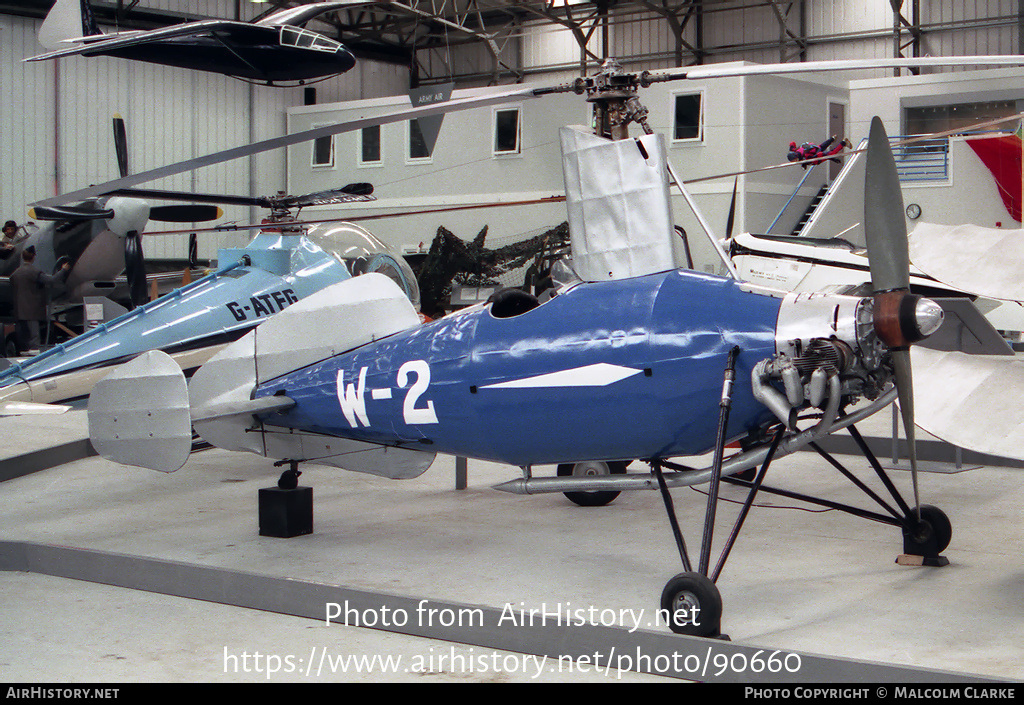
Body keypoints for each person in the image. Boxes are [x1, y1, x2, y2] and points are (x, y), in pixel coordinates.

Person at [11, 246, 70, 352]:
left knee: (23, 343)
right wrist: (63, 270)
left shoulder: (15, 274)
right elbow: (52, 280)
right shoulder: (34, 272)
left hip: (18, 312)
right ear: (33, 257)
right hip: (32, 312)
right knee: (34, 342)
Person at [787, 135, 853, 169]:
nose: (795, 162)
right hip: (814, 149)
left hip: (816, 156)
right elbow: (792, 143)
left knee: (832, 153)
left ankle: (843, 142)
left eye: (795, 160)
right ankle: (832, 138)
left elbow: (819, 156)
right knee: (821, 147)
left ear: (795, 157)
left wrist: (832, 158)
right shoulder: (795, 150)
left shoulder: (807, 157)